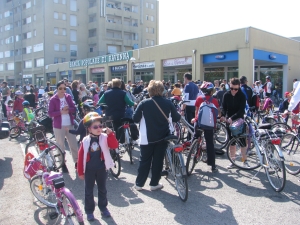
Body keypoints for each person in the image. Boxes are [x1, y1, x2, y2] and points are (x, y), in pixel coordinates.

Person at [133, 80, 181, 191]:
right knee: (158, 161)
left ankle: (139, 184)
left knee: (144, 160)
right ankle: (154, 183)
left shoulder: (144, 103)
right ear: (162, 90)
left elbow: (135, 119)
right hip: (163, 136)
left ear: (150, 90)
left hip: (147, 137)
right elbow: (176, 118)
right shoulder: (168, 102)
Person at [77, 112, 118, 220]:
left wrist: (111, 135)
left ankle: (103, 208)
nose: (99, 128)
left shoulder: (105, 137)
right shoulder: (85, 141)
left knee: (102, 189)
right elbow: (80, 157)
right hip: (89, 170)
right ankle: (89, 211)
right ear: (89, 129)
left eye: (100, 126)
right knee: (89, 191)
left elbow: (114, 145)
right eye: (95, 127)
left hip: (101, 169)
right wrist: (80, 172)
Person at [48, 80, 79, 173]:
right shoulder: (53, 99)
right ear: (57, 89)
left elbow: (74, 108)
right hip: (58, 125)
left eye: (64, 88)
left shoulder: (68, 97)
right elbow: (50, 113)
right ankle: (63, 163)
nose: (62, 90)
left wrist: (68, 109)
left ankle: (77, 162)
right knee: (60, 146)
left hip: (69, 124)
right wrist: (60, 112)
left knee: (74, 144)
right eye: (60, 88)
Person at [192, 82, 219, 172]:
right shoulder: (214, 101)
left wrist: (195, 119)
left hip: (199, 123)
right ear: (211, 91)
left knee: (195, 136)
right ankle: (212, 164)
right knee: (210, 143)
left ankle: (193, 153)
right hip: (209, 125)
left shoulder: (199, 98)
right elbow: (217, 114)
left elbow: (196, 112)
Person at [220, 78, 247, 169]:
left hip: (239, 120)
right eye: (232, 88)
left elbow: (241, 111)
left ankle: (244, 161)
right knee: (231, 142)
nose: (234, 91)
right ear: (229, 86)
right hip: (229, 121)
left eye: (236, 89)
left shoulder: (242, 96)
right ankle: (233, 161)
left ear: (239, 87)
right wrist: (223, 116)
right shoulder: (226, 95)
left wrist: (232, 118)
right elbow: (223, 107)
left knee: (242, 141)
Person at [181, 73, 199, 140]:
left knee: (188, 124)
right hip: (195, 105)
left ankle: (189, 139)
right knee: (193, 123)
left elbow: (186, 99)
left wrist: (182, 109)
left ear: (186, 78)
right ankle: (194, 138)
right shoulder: (195, 86)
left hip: (188, 106)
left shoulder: (187, 86)